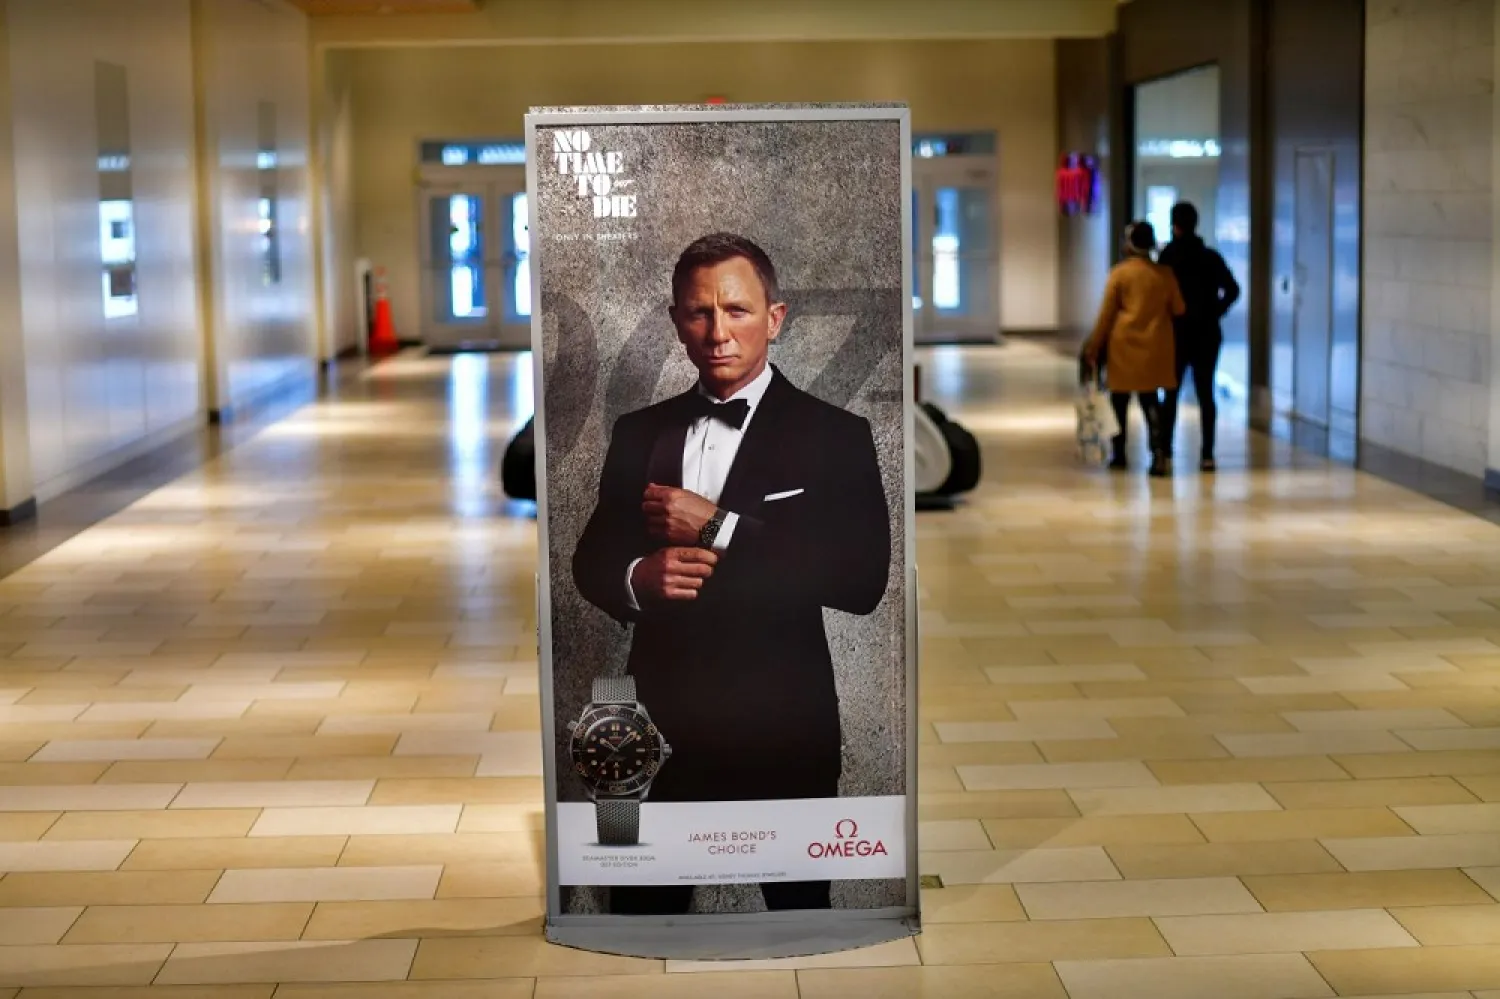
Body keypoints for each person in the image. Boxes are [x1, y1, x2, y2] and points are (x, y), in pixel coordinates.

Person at [572, 232, 892, 915]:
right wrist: (638, 578)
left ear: (774, 318)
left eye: (738, 311)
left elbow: (861, 579)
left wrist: (718, 525)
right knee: (640, 916)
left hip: (784, 724)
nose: (718, 332)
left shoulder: (836, 435)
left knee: (799, 912)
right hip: (661, 732)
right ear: (675, 322)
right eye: (699, 313)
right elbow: (592, 557)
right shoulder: (639, 432)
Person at [1083, 220, 1184, 478]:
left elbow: (1106, 315)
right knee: (1151, 401)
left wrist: (1094, 346)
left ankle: (1119, 454)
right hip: (1155, 346)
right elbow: (1179, 308)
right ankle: (1159, 455)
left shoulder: (1119, 274)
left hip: (1123, 347)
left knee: (1119, 402)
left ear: (1129, 243)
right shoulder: (1166, 274)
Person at [1157, 202, 1240, 472]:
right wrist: (1215, 311)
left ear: (1175, 225)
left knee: (1171, 393)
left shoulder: (1168, 256)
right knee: (1206, 393)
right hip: (1207, 333)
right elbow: (1233, 290)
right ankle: (1207, 454)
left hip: (1177, 333)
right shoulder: (1210, 257)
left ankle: (1165, 451)